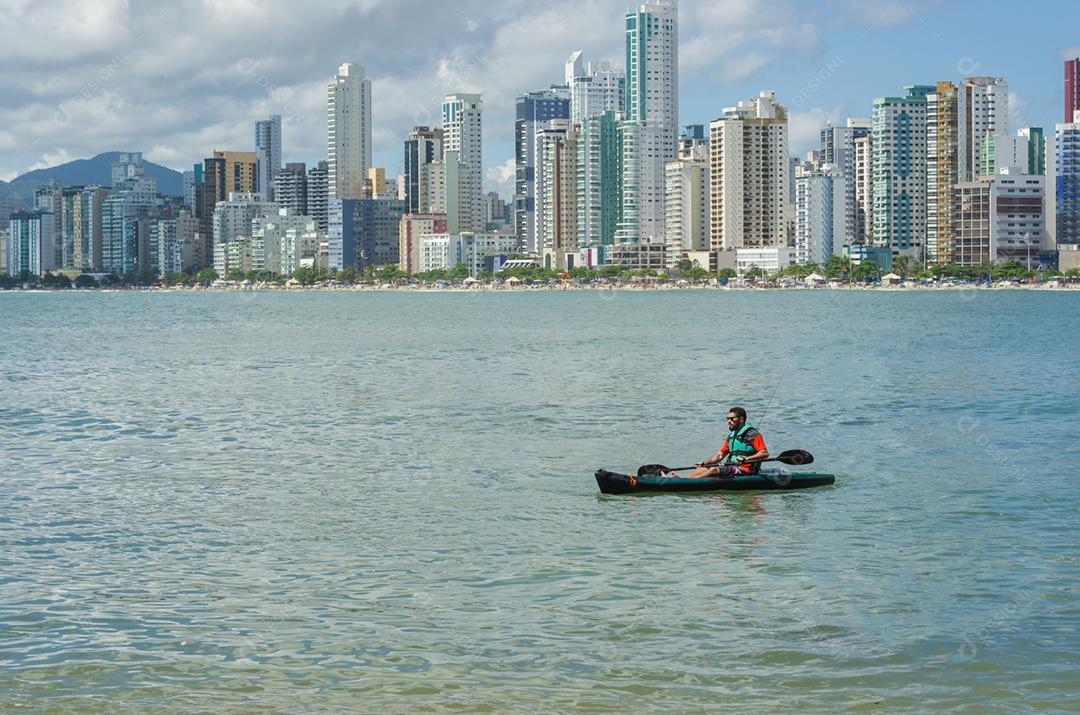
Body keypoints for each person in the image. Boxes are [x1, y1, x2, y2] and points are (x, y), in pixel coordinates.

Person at [667, 407, 769, 478]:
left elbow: (764, 453)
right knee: (702, 469)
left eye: (732, 419)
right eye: (727, 419)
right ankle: (682, 479)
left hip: (745, 471)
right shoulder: (732, 436)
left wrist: (746, 459)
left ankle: (685, 482)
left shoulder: (753, 434)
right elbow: (720, 455)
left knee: (714, 470)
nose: (729, 421)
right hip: (731, 466)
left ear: (741, 419)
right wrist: (704, 463)